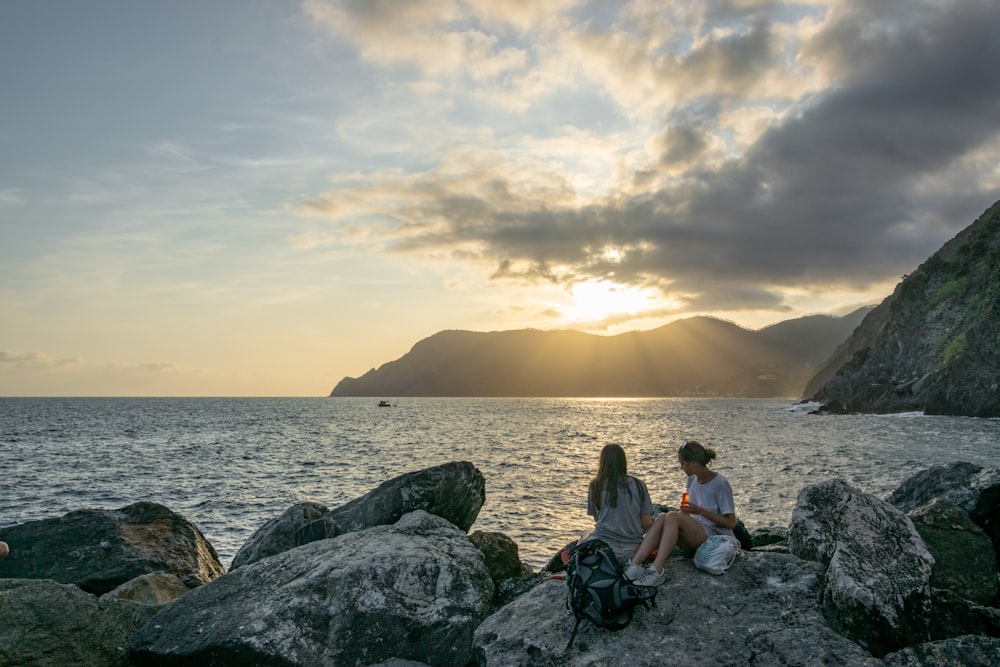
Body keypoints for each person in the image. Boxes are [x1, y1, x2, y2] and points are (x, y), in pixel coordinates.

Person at [623, 440, 736, 587]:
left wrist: (701, 511)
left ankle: (657, 570)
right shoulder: (692, 480)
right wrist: (686, 513)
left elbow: (731, 523)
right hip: (697, 534)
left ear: (694, 463)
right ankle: (635, 564)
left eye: (683, 464)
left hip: (715, 537)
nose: (681, 468)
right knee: (664, 516)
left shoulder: (720, 483)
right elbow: (689, 515)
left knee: (672, 516)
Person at [579, 444, 654, 564]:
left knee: (586, 534)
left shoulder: (595, 485)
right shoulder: (639, 485)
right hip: (632, 551)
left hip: (603, 550)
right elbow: (646, 523)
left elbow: (598, 519)